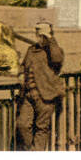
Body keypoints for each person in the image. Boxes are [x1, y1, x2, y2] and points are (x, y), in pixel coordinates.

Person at [17, 20, 66, 150]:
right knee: (22, 125)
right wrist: (21, 74)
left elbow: (57, 60)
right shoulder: (31, 50)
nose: (40, 37)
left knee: (41, 128)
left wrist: (50, 38)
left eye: (43, 35)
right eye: (38, 34)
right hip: (28, 95)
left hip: (46, 96)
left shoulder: (55, 50)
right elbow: (23, 66)